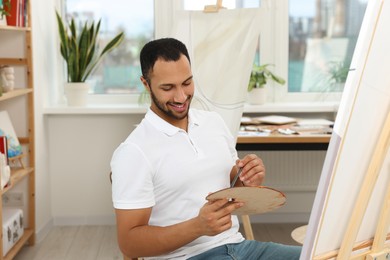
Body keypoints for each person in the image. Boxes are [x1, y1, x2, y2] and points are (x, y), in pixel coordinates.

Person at [111, 37, 301, 259]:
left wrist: (248, 178)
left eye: (187, 82)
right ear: (146, 84)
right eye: (168, 87)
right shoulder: (134, 151)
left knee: (321, 255)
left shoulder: (213, 122)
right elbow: (129, 244)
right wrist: (197, 227)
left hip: (240, 248)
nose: (181, 96)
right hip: (188, 257)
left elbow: (232, 187)